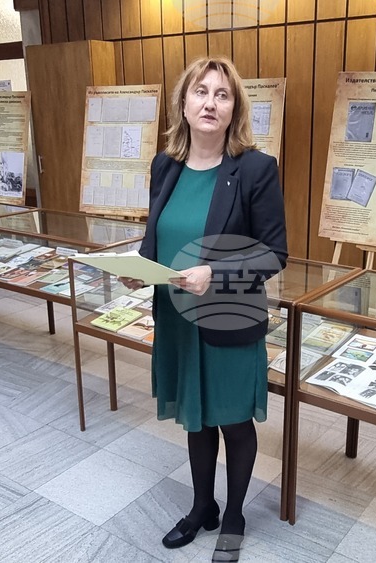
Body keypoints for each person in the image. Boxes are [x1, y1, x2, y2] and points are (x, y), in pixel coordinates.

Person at [120, 56, 287, 562]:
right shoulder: (164, 166)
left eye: (222, 94)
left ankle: (233, 516)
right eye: (201, 92)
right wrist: (138, 267)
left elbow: (274, 253)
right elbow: (160, 236)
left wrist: (215, 273)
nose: (210, 103)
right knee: (196, 418)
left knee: (232, 420)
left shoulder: (255, 169)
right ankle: (202, 507)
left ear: (234, 108)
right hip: (176, 317)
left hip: (228, 318)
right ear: (184, 103)